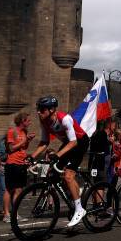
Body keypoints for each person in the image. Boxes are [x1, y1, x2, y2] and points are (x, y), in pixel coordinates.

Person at [30, 96, 89, 227]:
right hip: (68, 143)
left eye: (42, 109)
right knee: (52, 171)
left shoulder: (64, 119)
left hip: (80, 142)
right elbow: (45, 142)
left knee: (68, 176)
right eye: (38, 109)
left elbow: (74, 142)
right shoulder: (44, 121)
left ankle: (79, 209)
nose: (39, 112)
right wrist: (31, 156)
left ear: (51, 110)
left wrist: (57, 155)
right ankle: (73, 196)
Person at [3, 112, 35, 222]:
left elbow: (24, 147)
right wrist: (24, 140)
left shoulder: (24, 132)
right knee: (9, 189)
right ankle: (6, 214)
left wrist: (28, 140)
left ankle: (15, 214)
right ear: (22, 121)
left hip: (21, 164)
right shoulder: (12, 131)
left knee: (19, 190)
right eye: (28, 120)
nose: (30, 122)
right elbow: (11, 149)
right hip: (12, 163)